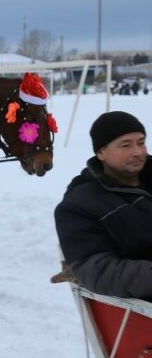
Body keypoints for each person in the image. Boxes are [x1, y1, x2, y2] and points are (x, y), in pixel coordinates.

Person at [54, 111, 152, 299]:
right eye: (125, 145)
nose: (138, 152)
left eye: (141, 142)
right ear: (101, 152)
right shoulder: (79, 205)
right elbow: (98, 269)